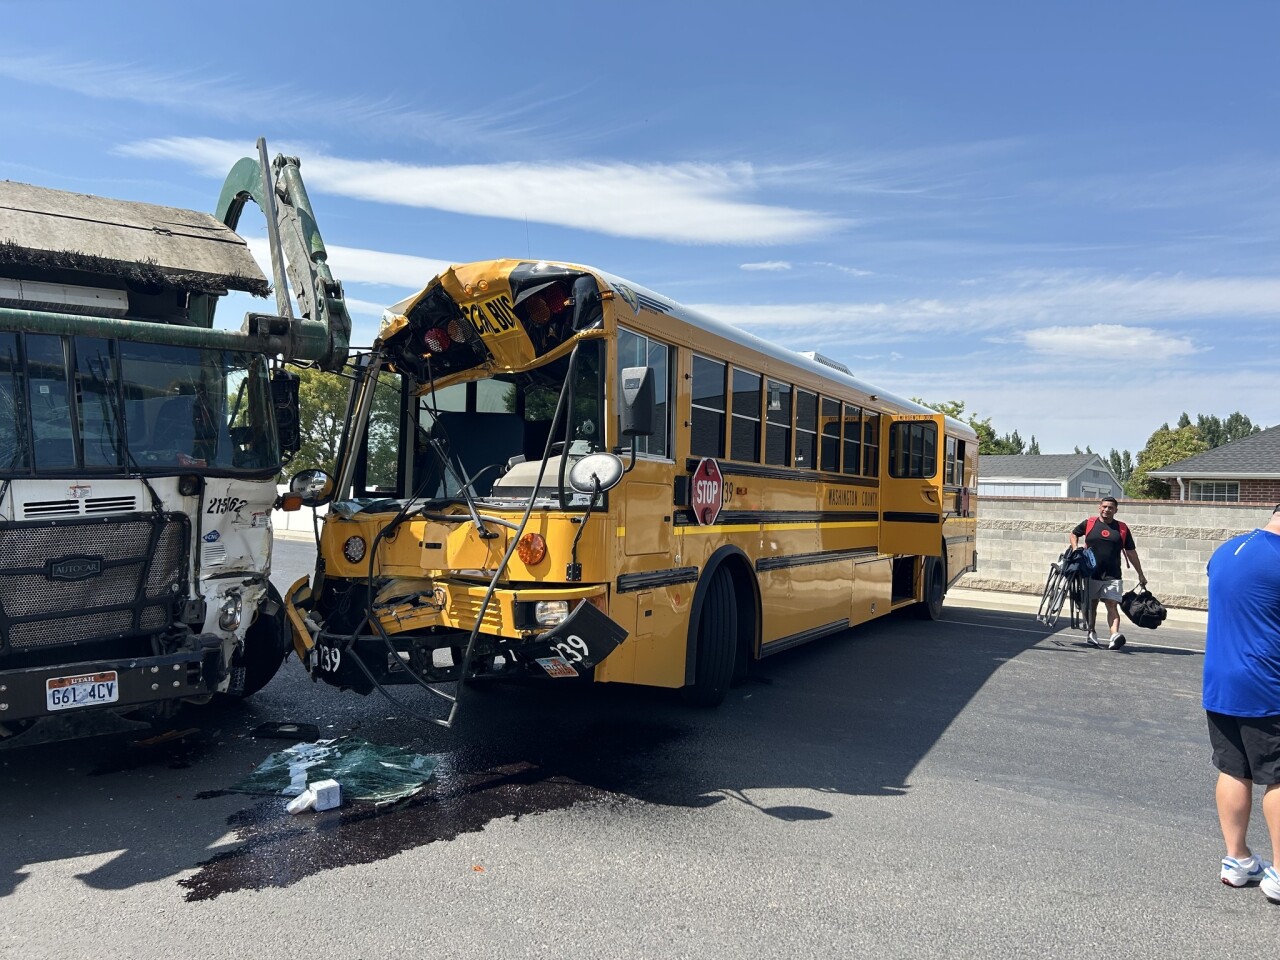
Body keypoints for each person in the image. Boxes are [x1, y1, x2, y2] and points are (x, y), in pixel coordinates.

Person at [1203, 505, 1280, 901]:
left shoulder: (1226, 551)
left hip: (1220, 682)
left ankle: (1237, 860)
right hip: (1268, 686)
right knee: (1279, 776)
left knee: (1235, 769)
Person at [1069, 496, 1147, 649]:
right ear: (1099, 508)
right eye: (1104, 507)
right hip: (1090, 574)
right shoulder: (1089, 523)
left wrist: (1140, 574)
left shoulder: (1122, 528)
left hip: (1113, 575)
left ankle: (1114, 636)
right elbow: (1073, 534)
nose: (1107, 509)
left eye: (1110, 507)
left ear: (1115, 510)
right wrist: (1075, 548)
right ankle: (1091, 632)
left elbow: (1131, 552)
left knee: (1112, 605)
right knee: (1091, 605)